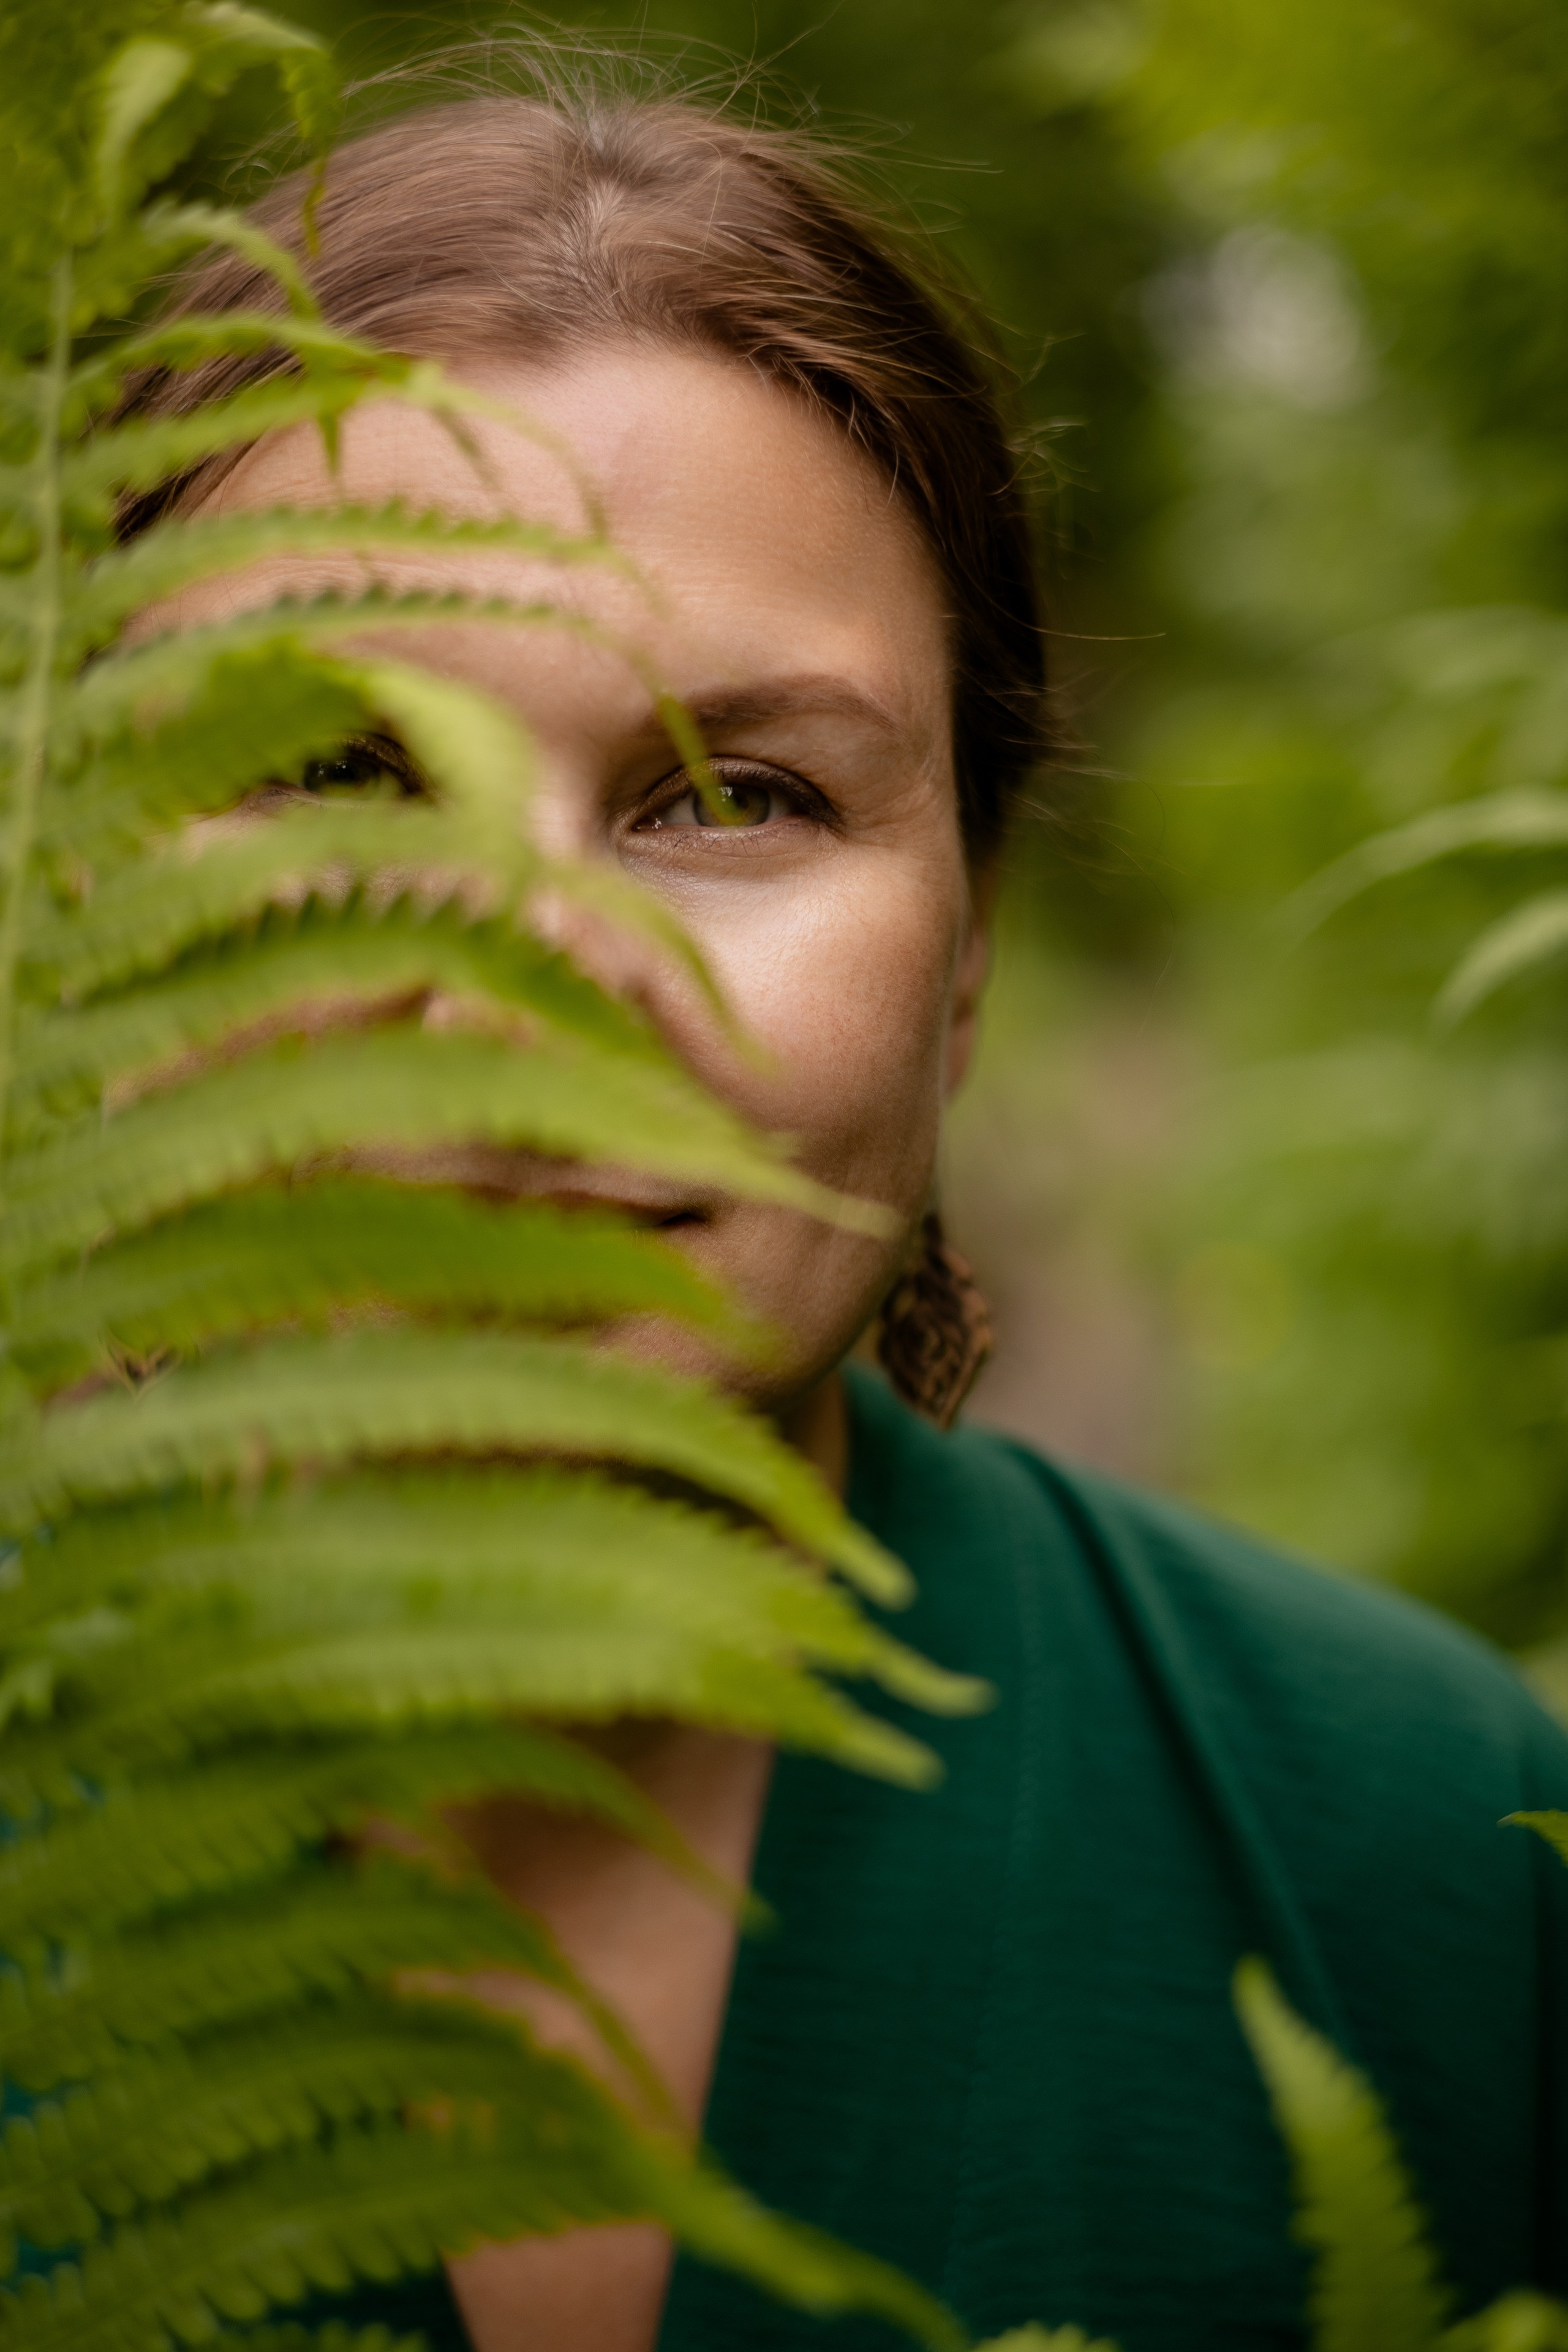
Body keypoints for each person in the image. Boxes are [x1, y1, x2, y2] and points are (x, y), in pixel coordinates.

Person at [123, 71, 1568, 2352]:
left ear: (968, 943)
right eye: (334, 774)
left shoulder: (1445, 1862)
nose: (525, 981)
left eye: (736, 795)